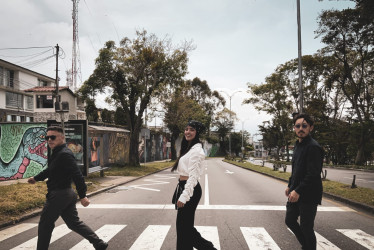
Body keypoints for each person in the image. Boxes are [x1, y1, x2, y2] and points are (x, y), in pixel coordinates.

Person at [28, 126, 108, 250]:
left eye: (53, 137)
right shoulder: (58, 153)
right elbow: (50, 170)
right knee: (73, 223)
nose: (49, 140)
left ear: (62, 137)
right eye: (47, 137)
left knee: (45, 225)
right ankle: (98, 243)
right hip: (66, 194)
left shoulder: (64, 154)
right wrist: (36, 178)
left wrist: (83, 195)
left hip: (59, 195)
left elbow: (77, 174)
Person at [171, 120, 217, 250]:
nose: (187, 132)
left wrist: (184, 196)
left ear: (196, 133)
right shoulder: (189, 148)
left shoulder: (197, 151)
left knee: (183, 227)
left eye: (191, 129)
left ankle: (208, 248)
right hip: (184, 186)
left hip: (190, 190)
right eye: (186, 129)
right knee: (184, 227)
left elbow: (193, 177)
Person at [285, 113, 324, 250]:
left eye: (304, 126)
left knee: (306, 227)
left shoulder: (313, 147)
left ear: (310, 128)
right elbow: (296, 169)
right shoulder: (297, 145)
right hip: (295, 190)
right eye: (298, 126)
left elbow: (313, 174)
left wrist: (298, 190)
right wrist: (290, 186)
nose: (300, 128)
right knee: (289, 220)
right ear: (294, 128)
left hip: (309, 193)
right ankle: (307, 246)